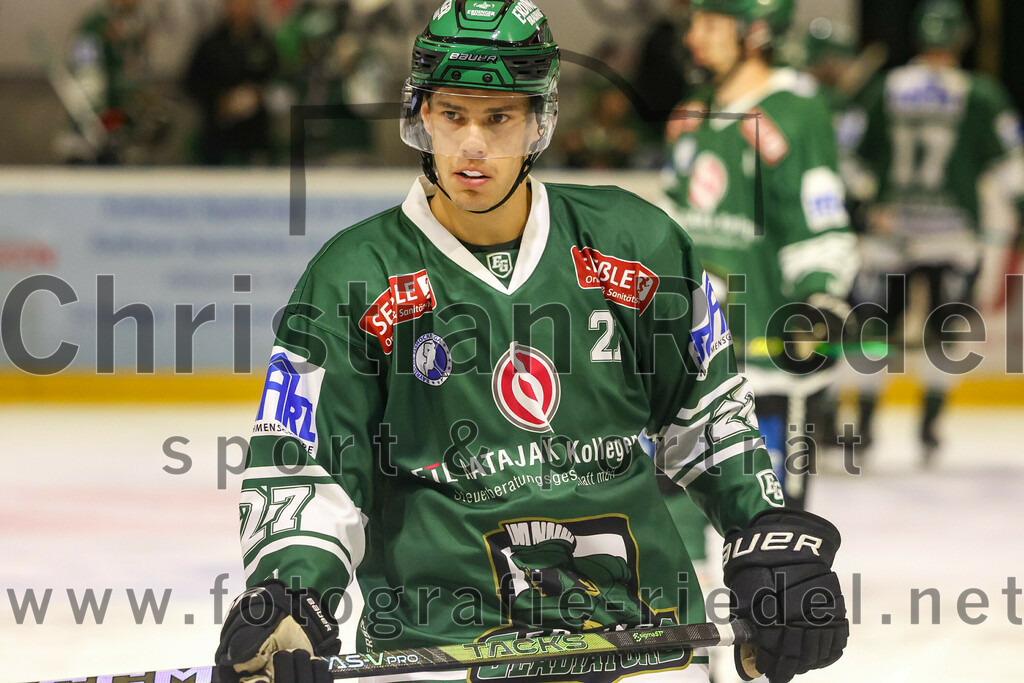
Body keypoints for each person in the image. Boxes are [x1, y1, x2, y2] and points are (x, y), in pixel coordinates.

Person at [214, 2, 849, 683]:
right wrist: (291, 594)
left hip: (645, 647)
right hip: (440, 653)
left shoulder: (636, 244)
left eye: (499, 118)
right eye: (452, 114)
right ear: (421, 114)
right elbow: (307, 467)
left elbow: (707, 415)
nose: (473, 145)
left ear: (539, 121)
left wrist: (764, 533)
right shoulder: (353, 277)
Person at [663, 0, 859, 512]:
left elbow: (817, 219)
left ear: (754, 31)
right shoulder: (690, 114)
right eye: (694, 23)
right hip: (690, 360)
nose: (693, 37)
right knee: (671, 522)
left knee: (772, 532)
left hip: (768, 362)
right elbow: (671, 228)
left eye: (710, 23)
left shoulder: (795, 111)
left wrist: (820, 294)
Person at [849, 0, 1024, 464]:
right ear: (962, 38)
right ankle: (929, 428)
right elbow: (1012, 169)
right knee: (945, 335)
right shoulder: (981, 94)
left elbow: (850, 158)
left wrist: (863, 208)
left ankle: (863, 425)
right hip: (953, 237)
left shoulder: (885, 88)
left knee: (877, 331)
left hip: (890, 236)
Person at [182, 0, 279, 165]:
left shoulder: (265, 44)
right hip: (217, 135)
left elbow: (279, 82)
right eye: (234, 3)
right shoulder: (210, 45)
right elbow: (192, 82)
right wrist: (220, 100)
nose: (239, 8)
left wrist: (257, 96)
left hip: (256, 135)